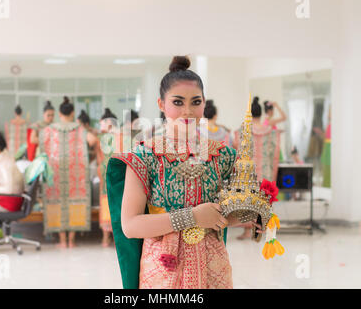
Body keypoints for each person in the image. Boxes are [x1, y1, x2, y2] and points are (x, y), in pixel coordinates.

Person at [106, 56, 263, 289]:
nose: (188, 111)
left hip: (213, 266)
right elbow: (130, 226)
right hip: (162, 269)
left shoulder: (224, 155)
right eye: (178, 102)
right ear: (161, 104)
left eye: (195, 102)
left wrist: (254, 215)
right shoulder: (144, 156)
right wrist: (193, 217)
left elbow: (231, 212)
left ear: (204, 103)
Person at [34, 97, 99, 248]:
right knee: (74, 201)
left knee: (56, 201)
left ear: (59, 113)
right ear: (72, 113)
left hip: (55, 172)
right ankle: (71, 240)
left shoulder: (49, 129)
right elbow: (93, 140)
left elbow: (35, 140)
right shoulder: (79, 129)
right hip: (76, 173)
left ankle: (62, 241)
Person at [233, 97, 281, 240]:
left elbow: (237, 150)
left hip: (249, 173)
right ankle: (264, 229)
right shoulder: (272, 132)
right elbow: (276, 154)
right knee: (264, 201)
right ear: (261, 114)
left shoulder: (242, 131)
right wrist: (274, 173)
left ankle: (248, 231)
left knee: (248, 201)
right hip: (266, 171)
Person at [97, 108, 119, 247]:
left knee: (105, 202)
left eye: (101, 124)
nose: (100, 127)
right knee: (118, 203)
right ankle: (117, 238)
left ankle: (105, 239)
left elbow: (100, 158)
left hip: (106, 171)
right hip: (119, 172)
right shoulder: (123, 136)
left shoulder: (102, 138)